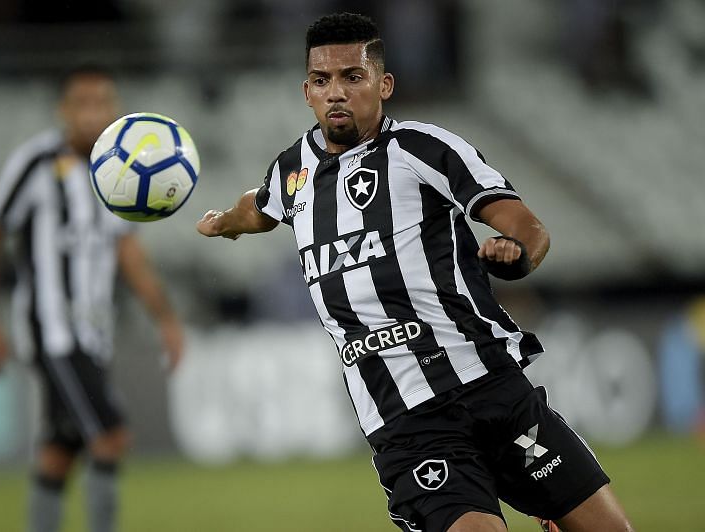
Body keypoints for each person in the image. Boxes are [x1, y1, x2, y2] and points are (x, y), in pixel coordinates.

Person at [197, 12, 633, 532]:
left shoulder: (423, 149)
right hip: (408, 419)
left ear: (384, 84)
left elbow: (527, 226)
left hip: (493, 386)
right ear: (306, 92)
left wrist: (515, 253)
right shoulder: (292, 171)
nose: (336, 92)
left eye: (352, 77)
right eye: (322, 80)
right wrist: (225, 222)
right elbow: (260, 206)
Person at [0, 66, 184, 532]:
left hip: (93, 331)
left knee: (58, 452)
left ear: (114, 109)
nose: (92, 114)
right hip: (52, 330)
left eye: (101, 102)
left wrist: (165, 318)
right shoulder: (35, 162)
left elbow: (126, 249)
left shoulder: (117, 170)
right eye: (81, 104)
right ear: (63, 111)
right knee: (110, 437)